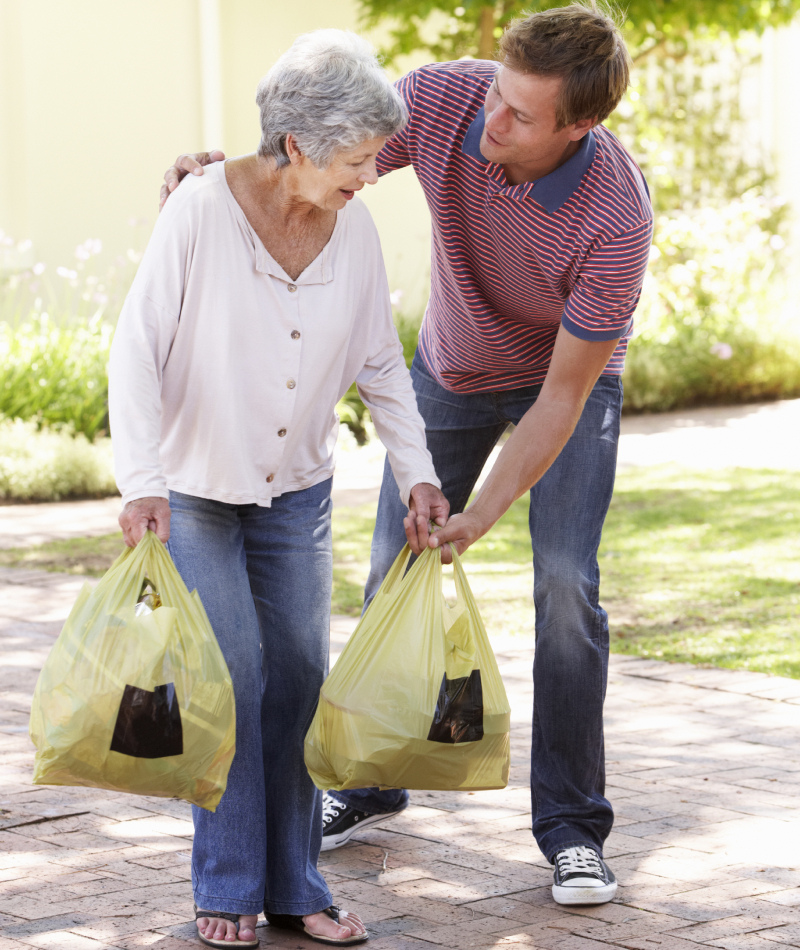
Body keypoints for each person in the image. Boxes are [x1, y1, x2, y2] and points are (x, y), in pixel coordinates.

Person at [161, 2, 653, 907]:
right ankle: (371, 779)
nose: (490, 121)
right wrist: (227, 179)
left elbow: (560, 398)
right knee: (392, 570)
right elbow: (318, 164)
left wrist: (481, 513)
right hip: (453, 367)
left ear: (580, 126)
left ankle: (573, 827)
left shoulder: (615, 216)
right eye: (495, 94)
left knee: (564, 584)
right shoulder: (444, 99)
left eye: (520, 115)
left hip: (562, 388)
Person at [111, 30, 449, 949]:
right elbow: (136, 348)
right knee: (234, 676)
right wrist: (140, 480)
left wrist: (417, 473)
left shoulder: (355, 228)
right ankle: (226, 886)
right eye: (356, 158)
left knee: (300, 678)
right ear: (295, 146)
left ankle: (298, 885)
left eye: (377, 155)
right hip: (194, 490)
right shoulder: (199, 211)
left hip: (295, 491)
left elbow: (381, 361)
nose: (372, 175)